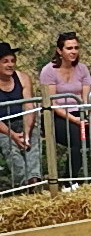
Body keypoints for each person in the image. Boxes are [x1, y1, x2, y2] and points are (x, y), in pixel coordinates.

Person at [41, 33, 91, 183]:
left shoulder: (82, 69)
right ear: (60, 51)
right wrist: (74, 120)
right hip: (57, 115)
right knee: (76, 138)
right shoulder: (49, 71)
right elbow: (51, 102)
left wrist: (87, 114)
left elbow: (86, 97)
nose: (73, 51)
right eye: (69, 48)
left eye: (76, 48)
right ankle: (70, 180)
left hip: (80, 111)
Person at [0, 42, 45, 187]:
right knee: (10, 148)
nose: (10, 65)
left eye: (13, 61)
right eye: (5, 61)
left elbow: (28, 106)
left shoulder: (23, 78)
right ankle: (24, 184)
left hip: (24, 121)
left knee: (32, 142)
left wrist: (26, 134)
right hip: (3, 126)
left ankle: (34, 180)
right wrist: (13, 135)